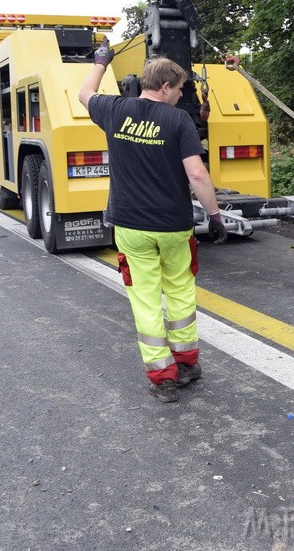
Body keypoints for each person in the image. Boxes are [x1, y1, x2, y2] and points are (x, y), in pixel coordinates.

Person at [79, 40, 229, 403]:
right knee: (179, 294)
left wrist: (102, 61)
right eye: (179, 88)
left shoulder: (114, 110)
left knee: (145, 299)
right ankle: (187, 363)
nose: (180, 95)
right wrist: (215, 216)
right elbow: (197, 175)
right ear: (165, 87)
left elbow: (84, 94)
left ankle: (163, 379)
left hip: (130, 226)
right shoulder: (178, 120)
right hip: (173, 226)